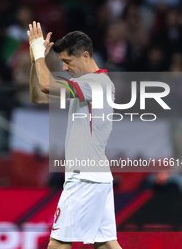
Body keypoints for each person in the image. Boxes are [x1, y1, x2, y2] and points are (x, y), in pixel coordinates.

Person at [27, 22, 122, 249]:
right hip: (97, 176)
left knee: (58, 244)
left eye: (67, 61)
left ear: (85, 55)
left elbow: (46, 84)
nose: (64, 66)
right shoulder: (91, 85)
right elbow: (38, 96)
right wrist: (34, 61)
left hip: (84, 177)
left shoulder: (94, 83)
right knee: (107, 245)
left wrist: (39, 52)